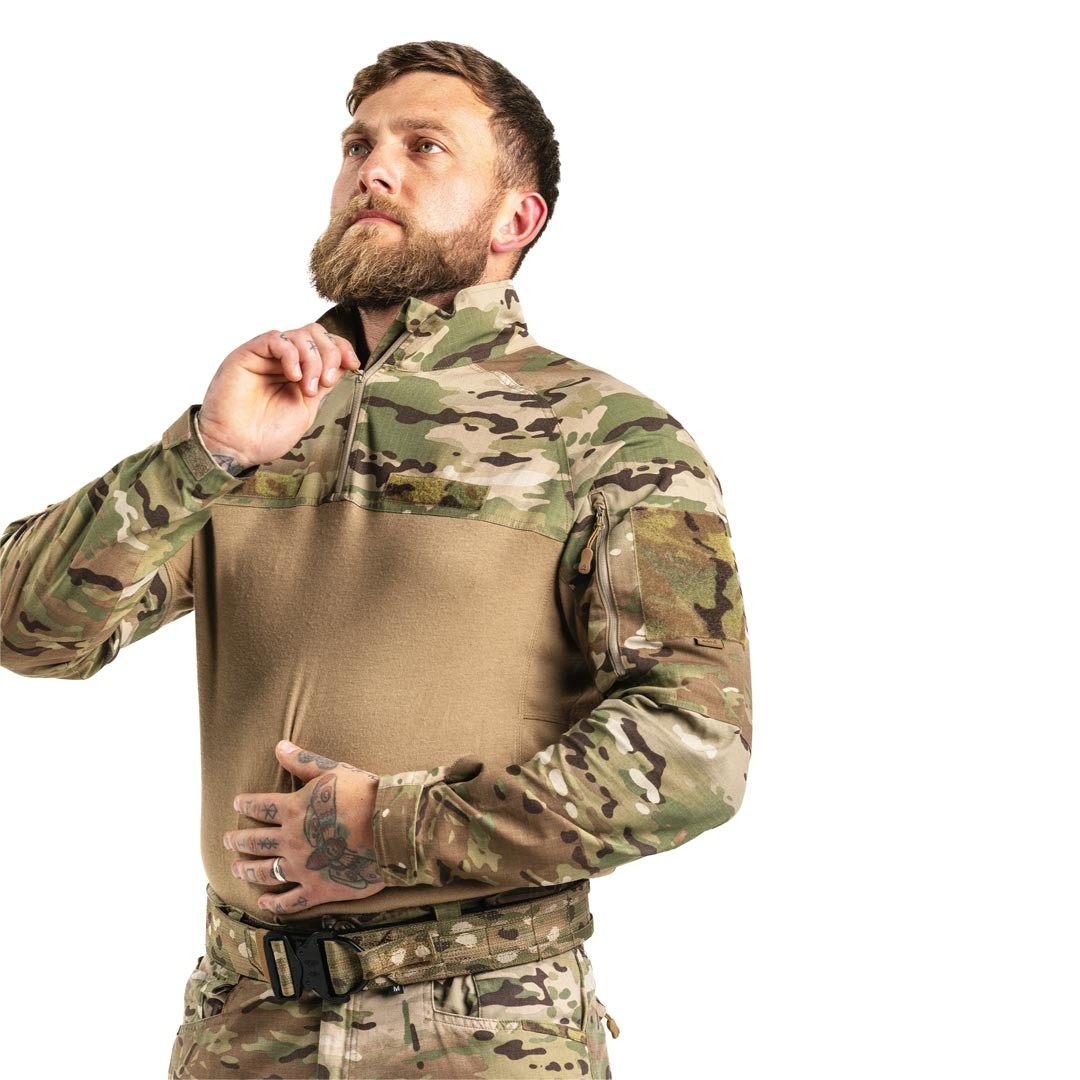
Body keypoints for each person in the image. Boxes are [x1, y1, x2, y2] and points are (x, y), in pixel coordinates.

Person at [0, 40, 751, 1079]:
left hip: (485, 1030)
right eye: (358, 144)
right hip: (242, 1024)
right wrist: (205, 453)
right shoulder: (264, 413)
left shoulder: (611, 436)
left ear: (515, 219)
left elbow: (696, 750)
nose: (374, 169)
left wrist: (393, 829)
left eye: (423, 146)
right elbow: (28, 633)